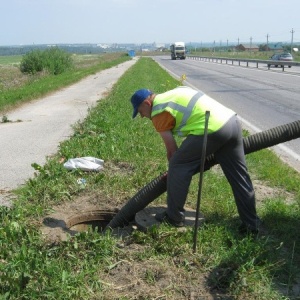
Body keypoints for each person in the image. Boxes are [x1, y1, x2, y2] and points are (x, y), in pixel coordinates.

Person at [130, 86, 261, 233]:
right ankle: (251, 225)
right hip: (232, 122)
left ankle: (174, 217)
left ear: (147, 104)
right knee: (239, 177)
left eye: (140, 112)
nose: (142, 116)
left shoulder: (158, 112)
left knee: (178, 165)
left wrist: (173, 172)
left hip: (212, 129)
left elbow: (172, 152)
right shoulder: (172, 94)